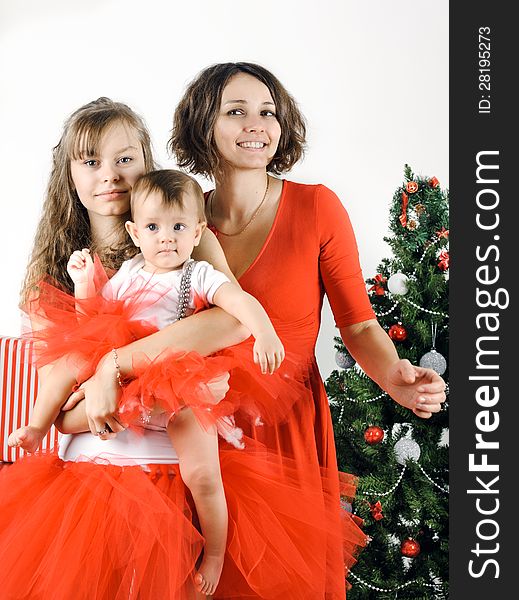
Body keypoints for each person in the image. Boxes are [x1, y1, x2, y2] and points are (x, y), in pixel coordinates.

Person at [0, 97, 357, 600]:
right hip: (90, 475)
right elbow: (66, 412)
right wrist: (115, 393)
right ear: (69, 175)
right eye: (91, 161)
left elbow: (233, 324)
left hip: (177, 465)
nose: (111, 175)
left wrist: (113, 367)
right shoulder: (51, 277)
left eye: (126, 158)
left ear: (147, 162)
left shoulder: (186, 239)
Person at [9, 167, 294, 595]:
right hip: (127, 380)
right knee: (70, 361)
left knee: (202, 473)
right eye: (155, 228)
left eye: (179, 227)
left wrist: (266, 332)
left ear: (198, 231)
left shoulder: (197, 273)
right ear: (135, 232)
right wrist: (86, 284)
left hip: (179, 384)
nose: (167, 238)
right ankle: (35, 426)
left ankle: (213, 551)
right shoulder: (130, 271)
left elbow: (237, 302)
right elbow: (95, 323)